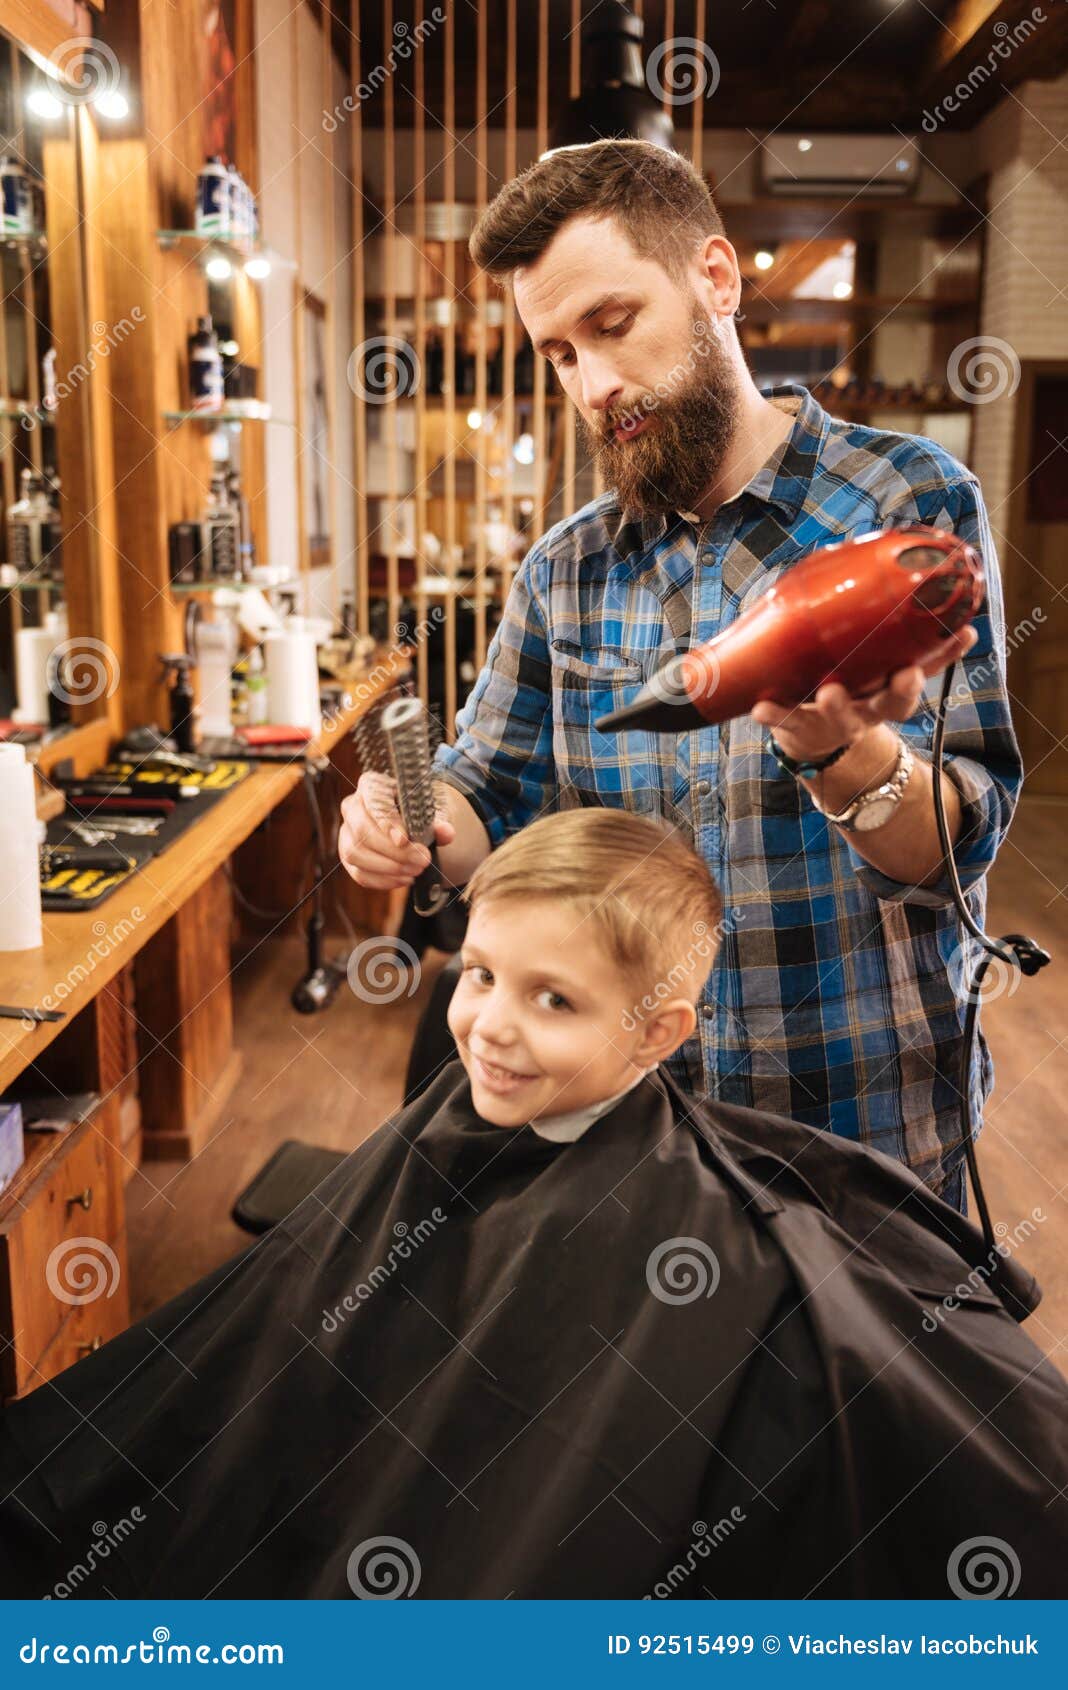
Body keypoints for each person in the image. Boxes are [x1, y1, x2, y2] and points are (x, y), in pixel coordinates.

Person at [2, 809, 1066, 1600]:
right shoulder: (451, 1129)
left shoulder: (696, 1234)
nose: (489, 1029)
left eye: (552, 998)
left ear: (658, 1033)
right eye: (478, 975)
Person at [339, 139, 1022, 1216]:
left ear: (715, 278)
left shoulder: (905, 502)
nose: (596, 383)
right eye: (560, 354)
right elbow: (488, 799)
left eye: (612, 326)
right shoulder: (566, 569)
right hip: (631, 1132)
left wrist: (846, 753)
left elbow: (957, 842)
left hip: (859, 1122)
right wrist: (407, 823)